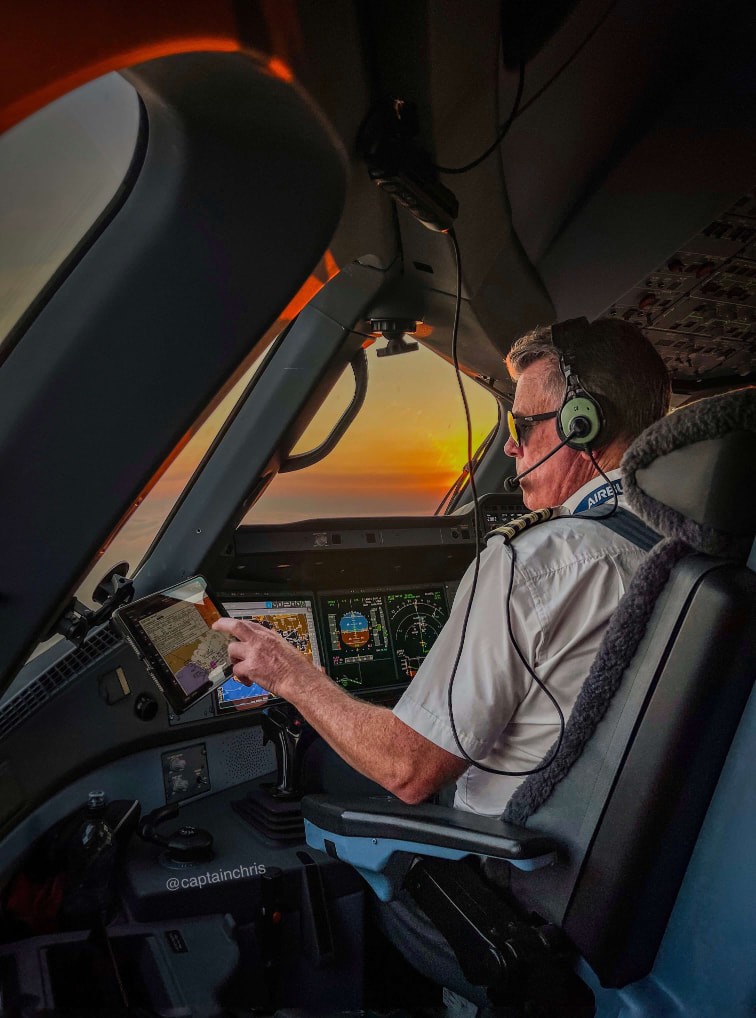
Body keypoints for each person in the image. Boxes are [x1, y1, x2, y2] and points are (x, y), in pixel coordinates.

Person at [212, 316, 670, 1013]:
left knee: (330, 790)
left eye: (522, 428)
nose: (512, 450)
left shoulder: (537, 561)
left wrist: (286, 671)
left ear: (581, 425)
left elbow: (408, 769)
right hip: (640, 864)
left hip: (515, 882)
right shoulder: (685, 550)